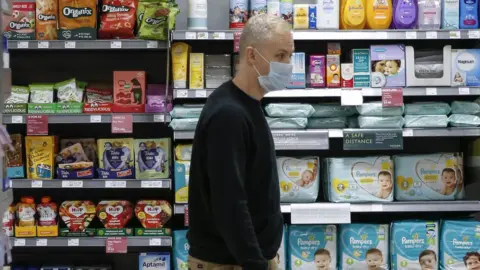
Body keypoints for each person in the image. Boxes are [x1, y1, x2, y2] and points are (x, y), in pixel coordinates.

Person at [187, 14, 294, 270]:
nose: (288, 65)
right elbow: (229, 202)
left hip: (247, 258)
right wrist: (255, 263)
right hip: (230, 263)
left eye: (290, 55)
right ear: (251, 56)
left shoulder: (248, 105)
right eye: (280, 56)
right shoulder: (229, 114)